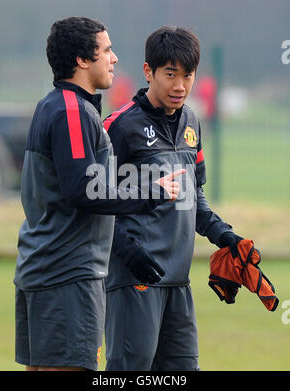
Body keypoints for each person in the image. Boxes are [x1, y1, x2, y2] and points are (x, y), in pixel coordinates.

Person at [13, 17, 184, 372]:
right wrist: (150, 192)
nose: (114, 58)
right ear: (82, 60)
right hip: (67, 276)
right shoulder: (72, 111)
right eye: (106, 50)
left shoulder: (52, 106)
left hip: (42, 270)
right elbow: (84, 189)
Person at [104, 26, 244, 371]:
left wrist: (224, 236)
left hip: (179, 282)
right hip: (134, 279)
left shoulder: (192, 122)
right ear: (148, 71)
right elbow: (95, 203)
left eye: (188, 75)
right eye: (170, 74)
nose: (180, 85)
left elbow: (193, 195)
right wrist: (128, 250)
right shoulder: (118, 127)